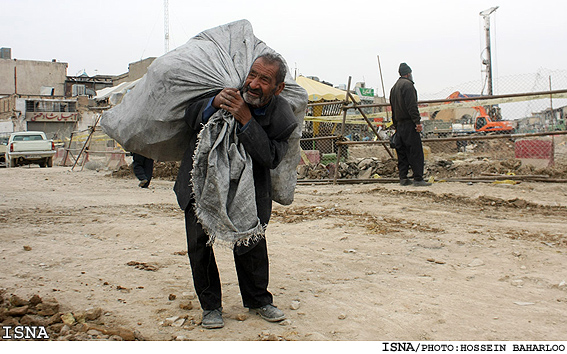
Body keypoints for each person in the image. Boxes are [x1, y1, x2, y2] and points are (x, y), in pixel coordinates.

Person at [174, 53, 298, 329]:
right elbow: (190, 117)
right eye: (252, 75)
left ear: (278, 88)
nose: (253, 84)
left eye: (264, 80)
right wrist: (214, 103)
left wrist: (245, 120)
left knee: (251, 240)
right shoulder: (224, 89)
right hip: (203, 181)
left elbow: (271, 157)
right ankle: (210, 307)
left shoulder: (282, 115)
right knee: (199, 243)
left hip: (249, 187)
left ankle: (258, 300)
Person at [389, 63, 431, 187]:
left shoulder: (394, 88)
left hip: (399, 125)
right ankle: (418, 178)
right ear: (408, 73)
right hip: (409, 124)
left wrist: (396, 125)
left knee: (402, 152)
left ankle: (403, 178)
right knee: (415, 151)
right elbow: (412, 106)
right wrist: (417, 122)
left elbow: (393, 109)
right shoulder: (408, 86)